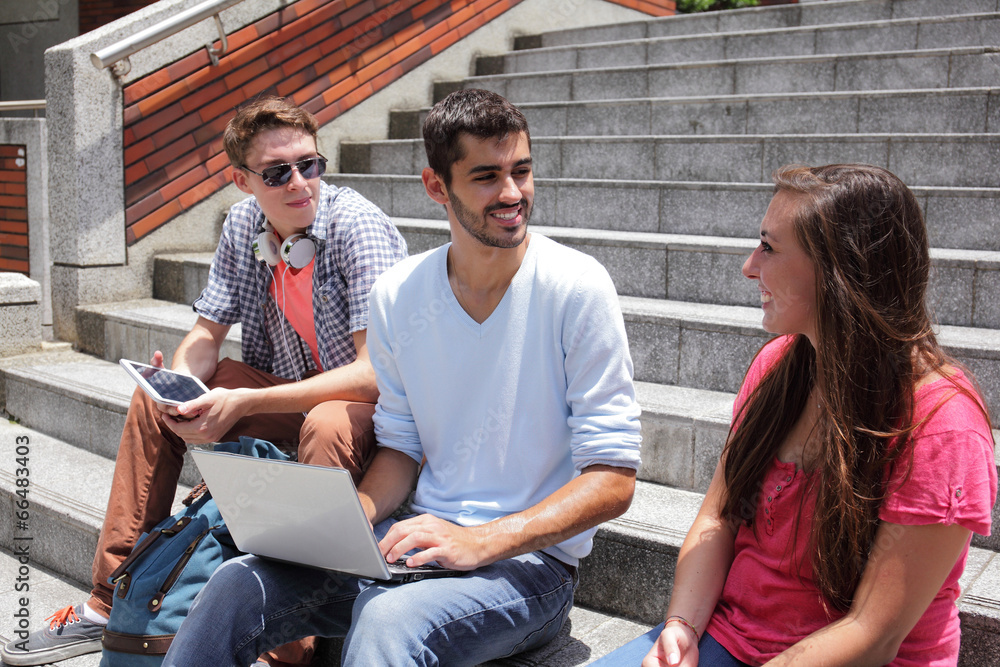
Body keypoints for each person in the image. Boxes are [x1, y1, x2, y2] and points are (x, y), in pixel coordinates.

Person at [156, 88, 643, 666]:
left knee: (386, 619)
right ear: (437, 186)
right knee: (239, 584)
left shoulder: (577, 286)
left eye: (521, 171)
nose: (512, 194)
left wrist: (483, 540)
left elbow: (614, 479)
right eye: (486, 176)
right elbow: (401, 448)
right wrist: (353, 519)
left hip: (527, 567)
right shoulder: (399, 295)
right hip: (411, 542)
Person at [0, 96, 408, 667]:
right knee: (154, 398)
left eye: (309, 164)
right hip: (292, 396)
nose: (300, 183)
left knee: (327, 419)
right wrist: (181, 385)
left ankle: (295, 640)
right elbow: (205, 335)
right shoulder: (243, 226)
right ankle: (106, 601)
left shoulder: (356, 227)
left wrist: (244, 400)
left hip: (373, 415)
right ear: (242, 181)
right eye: (277, 173)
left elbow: (375, 376)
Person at [594, 164, 997, 667]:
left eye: (769, 246)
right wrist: (681, 626)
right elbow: (719, 517)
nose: (748, 266)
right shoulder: (777, 365)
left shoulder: (943, 426)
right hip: (730, 640)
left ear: (839, 272)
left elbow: (872, 635)